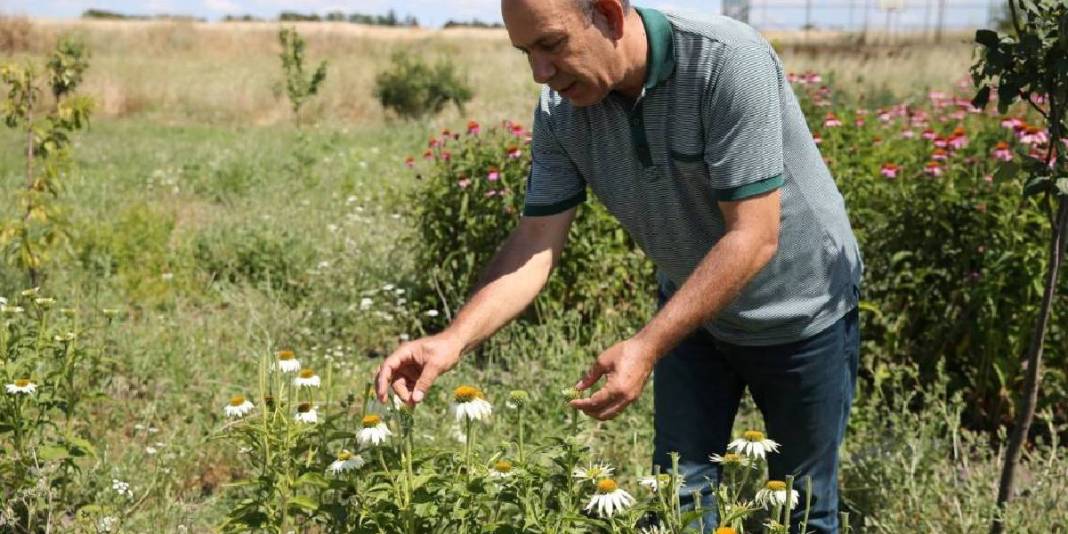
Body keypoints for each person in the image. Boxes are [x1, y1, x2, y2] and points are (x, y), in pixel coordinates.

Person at [374, 1, 863, 532]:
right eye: (526, 52)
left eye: (552, 45)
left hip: (803, 312)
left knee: (802, 507)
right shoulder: (562, 111)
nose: (540, 72)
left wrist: (646, 346)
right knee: (676, 497)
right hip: (693, 317)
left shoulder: (726, 60)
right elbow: (537, 242)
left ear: (608, 14)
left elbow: (753, 236)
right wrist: (453, 339)